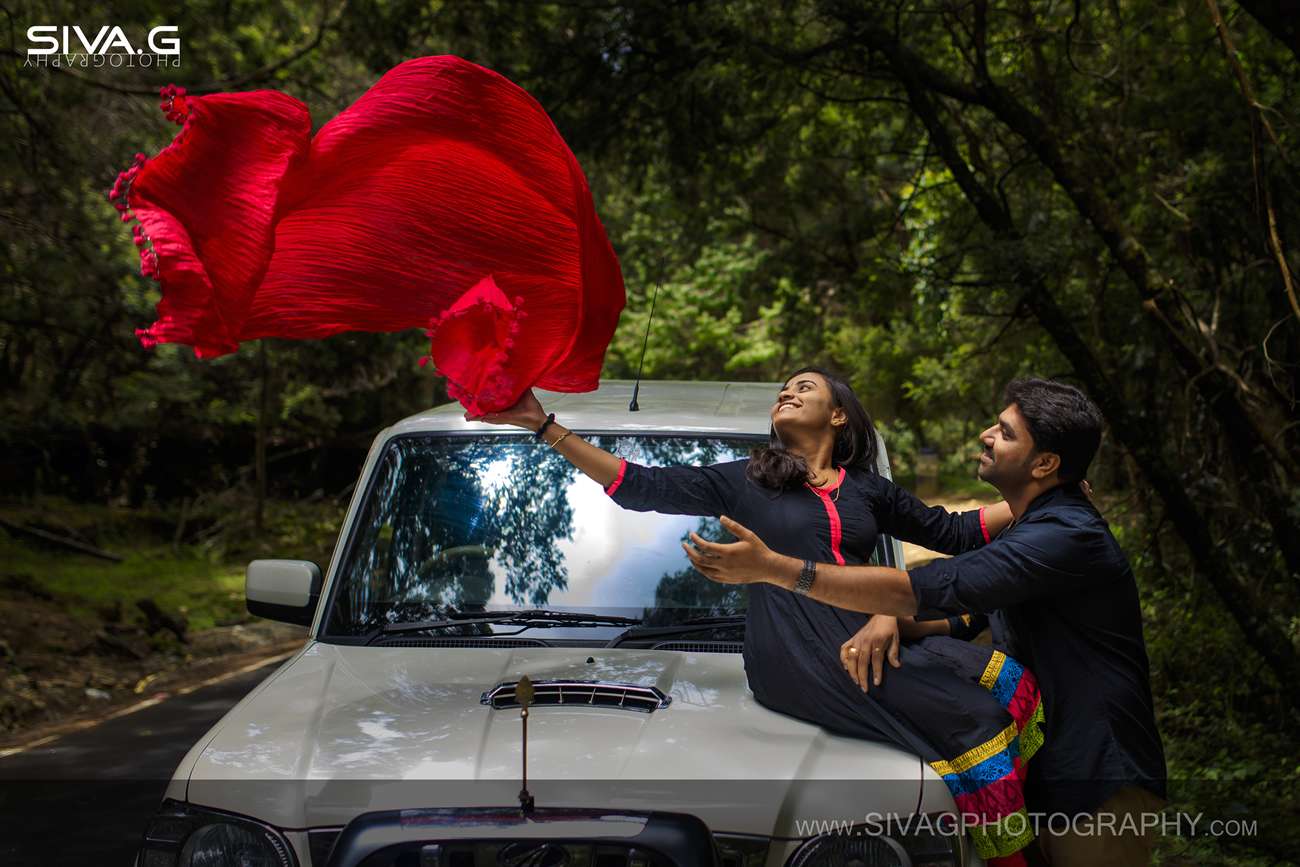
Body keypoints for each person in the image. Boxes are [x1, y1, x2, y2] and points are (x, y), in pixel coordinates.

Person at [476, 368, 1047, 865]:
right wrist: (544, 425)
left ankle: (1033, 835)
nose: (786, 392)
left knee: (1011, 682)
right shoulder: (745, 480)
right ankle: (1010, 862)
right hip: (800, 657)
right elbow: (637, 485)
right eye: (784, 389)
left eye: (804, 387)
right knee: (977, 722)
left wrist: (1046, 494)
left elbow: (954, 532)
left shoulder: (870, 491)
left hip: (869, 642)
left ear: (840, 416)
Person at [685, 378, 1167, 866]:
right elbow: (972, 611)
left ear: (1044, 464)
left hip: (1097, 774)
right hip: (1047, 762)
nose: (985, 434)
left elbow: (938, 586)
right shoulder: (1035, 526)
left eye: (1005, 432)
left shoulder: (1065, 535)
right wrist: (897, 622)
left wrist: (778, 569)